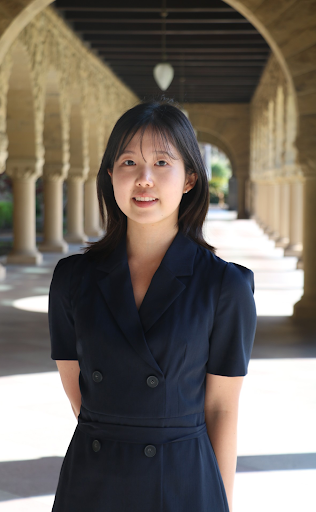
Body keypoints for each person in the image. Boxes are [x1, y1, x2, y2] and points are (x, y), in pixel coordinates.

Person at [48, 98, 257, 512]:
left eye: (162, 163)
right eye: (128, 163)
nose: (144, 179)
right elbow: (80, 397)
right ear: (110, 175)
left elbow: (221, 408)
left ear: (189, 179)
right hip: (93, 480)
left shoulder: (224, 285)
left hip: (182, 483)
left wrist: (222, 503)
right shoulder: (73, 279)